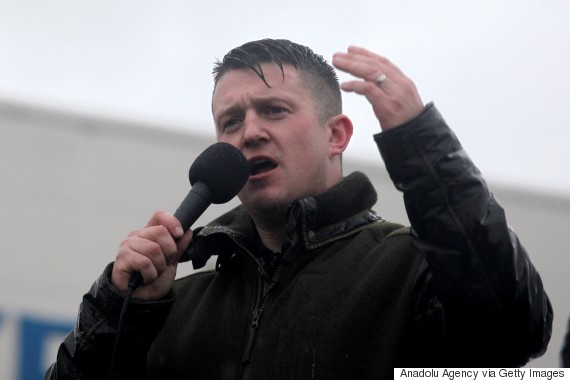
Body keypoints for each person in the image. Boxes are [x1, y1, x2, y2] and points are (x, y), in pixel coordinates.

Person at [45, 39, 552, 379]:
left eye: (274, 110)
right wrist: (122, 310)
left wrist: (420, 142)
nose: (250, 132)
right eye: (230, 121)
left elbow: (513, 333)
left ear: (336, 135)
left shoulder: (408, 269)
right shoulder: (174, 304)